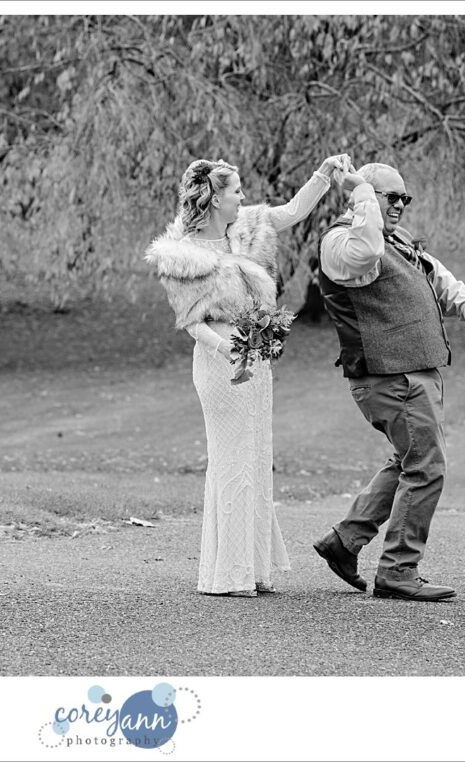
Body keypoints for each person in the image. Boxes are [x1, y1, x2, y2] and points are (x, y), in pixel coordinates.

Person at [145, 154, 352, 597]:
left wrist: (323, 173)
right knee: (232, 459)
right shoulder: (182, 255)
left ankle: (253, 568)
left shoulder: (247, 229)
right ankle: (228, 573)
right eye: (236, 190)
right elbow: (192, 323)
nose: (243, 197)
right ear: (214, 197)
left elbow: (293, 212)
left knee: (256, 457)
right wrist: (229, 351)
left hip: (255, 358)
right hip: (220, 361)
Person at [312, 161, 465, 601]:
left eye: (404, 198)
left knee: (408, 461)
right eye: (389, 196)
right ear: (363, 197)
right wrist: (359, 196)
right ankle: (397, 569)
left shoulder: (399, 240)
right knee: (426, 467)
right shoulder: (343, 242)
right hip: (389, 375)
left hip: (414, 373)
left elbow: (436, 277)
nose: (399, 205)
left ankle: (345, 541)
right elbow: (367, 253)